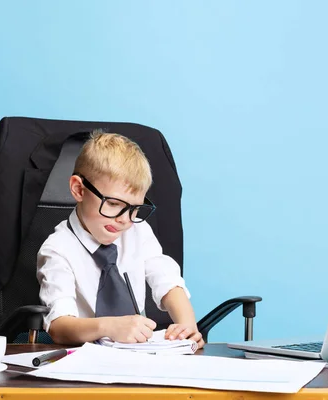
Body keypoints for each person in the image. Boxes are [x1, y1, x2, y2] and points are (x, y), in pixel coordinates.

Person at [36, 130, 204, 348]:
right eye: (114, 204)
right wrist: (110, 327)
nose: (125, 220)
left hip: (137, 356)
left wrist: (187, 326)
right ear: (78, 189)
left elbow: (168, 282)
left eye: (134, 209)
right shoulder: (58, 249)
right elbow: (59, 327)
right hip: (85, 359)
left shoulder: (138, 232)